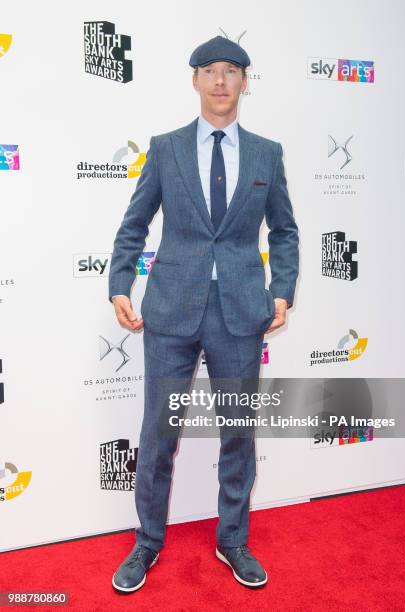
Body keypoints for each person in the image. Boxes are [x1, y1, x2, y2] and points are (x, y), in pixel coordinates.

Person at [108, 34, 299, 593]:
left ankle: (232, 539)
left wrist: (283, 290)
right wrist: (120, 283)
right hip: (169, 310)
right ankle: (146, 542)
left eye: (231, 71)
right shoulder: (165, 148)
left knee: (237, 433)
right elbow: (134, 223)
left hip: (241, 313)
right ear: (194, 80)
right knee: (159, 431)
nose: (220, 80)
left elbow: (284, 231)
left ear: (245, 81)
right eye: (209, 70)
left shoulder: (267, 153)